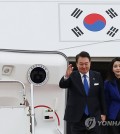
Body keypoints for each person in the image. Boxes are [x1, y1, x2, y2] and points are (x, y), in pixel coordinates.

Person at [59, 51, 106, 134]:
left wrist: (103, 113)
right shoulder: (72, 75)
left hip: (94, 116)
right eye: (81, 64)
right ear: (77, 64)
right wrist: (66, 76)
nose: (84, 66)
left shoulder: (97, 75)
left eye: (86, 63)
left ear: (90, 63)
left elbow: (101, 95)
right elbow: (62, 85)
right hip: (76, 117)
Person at [104, 57, 120, 134]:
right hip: (113, 115)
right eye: (115, 66)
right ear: (112, 69)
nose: (118, 68)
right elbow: (106, 101)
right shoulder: (107, 83)